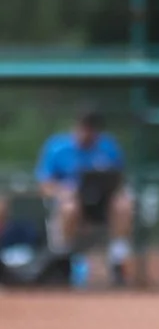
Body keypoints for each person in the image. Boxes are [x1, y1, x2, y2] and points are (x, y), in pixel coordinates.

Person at [38, 110, 133, 285]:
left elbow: (119, 180)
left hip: (102, 205)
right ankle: (64, 263)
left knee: (123, 204)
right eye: (83, 128)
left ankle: (117, 262)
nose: (87, 133)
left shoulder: (108, 146)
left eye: (91, 129)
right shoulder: (57, 147)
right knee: (69, 206)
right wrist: (62, 190)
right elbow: (44, 185)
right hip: (70, 205)